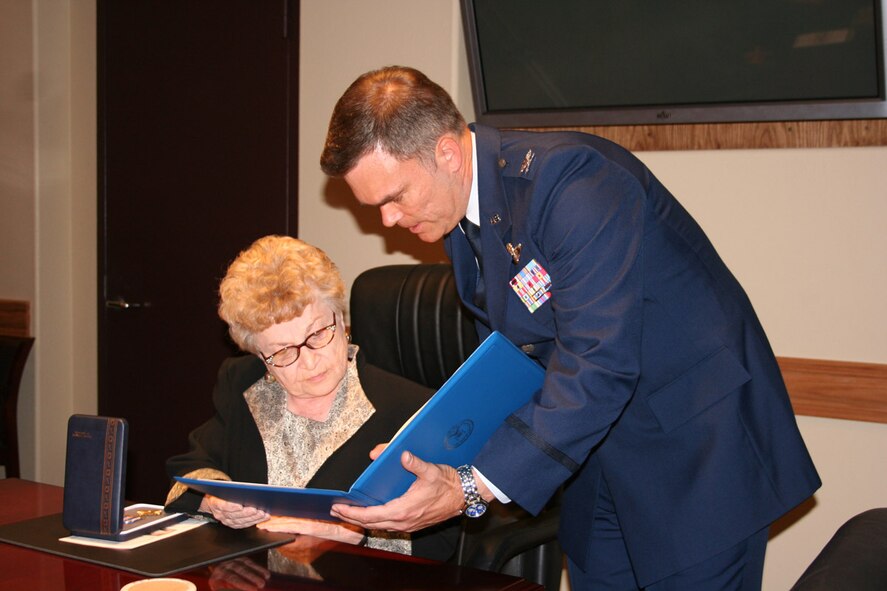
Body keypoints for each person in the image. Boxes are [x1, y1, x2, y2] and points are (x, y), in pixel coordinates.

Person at [319, 66, 821, 590]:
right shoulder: (460, 213)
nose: (388, 221)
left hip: (696, 454)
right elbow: (515, 359)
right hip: (597, 455)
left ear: (446, 153)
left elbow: (597, 361)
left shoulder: (574, 182)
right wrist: (433, 464)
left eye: (393, 197)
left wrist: (472, 486)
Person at [165, 234, 458, 560]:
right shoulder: (244, 385)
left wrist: (353, 535)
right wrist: (214, 502)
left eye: (318, 334)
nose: (308, 361)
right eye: (282, 351)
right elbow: (192, 468)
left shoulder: (410, 409)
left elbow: (442, 542)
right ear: (260, 357)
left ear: (341, 319)